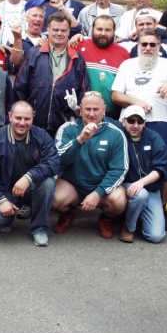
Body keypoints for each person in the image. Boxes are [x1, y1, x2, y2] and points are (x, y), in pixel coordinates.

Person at [112, 29, 167, 215]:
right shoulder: (127, 65)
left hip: (160, 122)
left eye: (153, 44)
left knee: (163, 165)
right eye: (144, 44)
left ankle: (162, 207)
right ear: (138, 45)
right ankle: (121, 209)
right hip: (129, 121)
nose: (148, 48)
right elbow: (115, 95)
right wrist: (136, 103)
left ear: (159, 46)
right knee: (123, 162)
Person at [0, 101, 60, 246]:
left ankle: (39, 228)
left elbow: (53, 162)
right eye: (18, 118)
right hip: (6, 190)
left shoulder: (42, 136)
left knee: (48, 182)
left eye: (27, 119)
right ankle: (7, 218)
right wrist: (0, 200)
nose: (22, 123)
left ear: (33, 118)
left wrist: (29, 177)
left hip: (32, 187)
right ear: (10, 116)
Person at [53, 92, 128, 239]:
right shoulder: (67, 129)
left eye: (96, 109)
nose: (91, 114)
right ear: (80, 109)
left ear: (104, 110)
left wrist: (98, 193)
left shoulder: (116, 134)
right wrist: (79, 140)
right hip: (73, 185)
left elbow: (119, 170)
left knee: (119, 201)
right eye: (87, 109)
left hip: (101, 187)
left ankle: (105, 219)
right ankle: (67, 214)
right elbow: (58, 160)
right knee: (54, 198)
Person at [14, 12, 89, 136]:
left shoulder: (77, 58)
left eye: (63, 30)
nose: (59, 33)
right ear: (48, 30)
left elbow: (84, 90)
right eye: (55, 30)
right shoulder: (34, 54)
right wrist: (25, 114)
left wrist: (75, 115)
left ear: (69, 32)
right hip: (34, 125)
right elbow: (20, 87)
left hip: (65, 126)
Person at [115, 105, 167, 244]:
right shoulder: (117, 136)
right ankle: (129, 226)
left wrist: (141, 182)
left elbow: (162, 168)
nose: (135, 125)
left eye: (139, 121)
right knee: (140, 194)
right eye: (131, 121)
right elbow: (98, 115)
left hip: (150, 188)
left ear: (145, 123)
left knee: (156, 236)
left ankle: (140, 219)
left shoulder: (154, 137)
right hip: (125, 186)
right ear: (123, 121)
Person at [69, 15, 130, 118]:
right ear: (92, 29)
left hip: (112, 116)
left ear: (114, 31)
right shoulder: (79, 45)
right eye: (99, 29)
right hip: (81, 115)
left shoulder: (123, 53)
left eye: (108, 30)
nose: (103, 33)